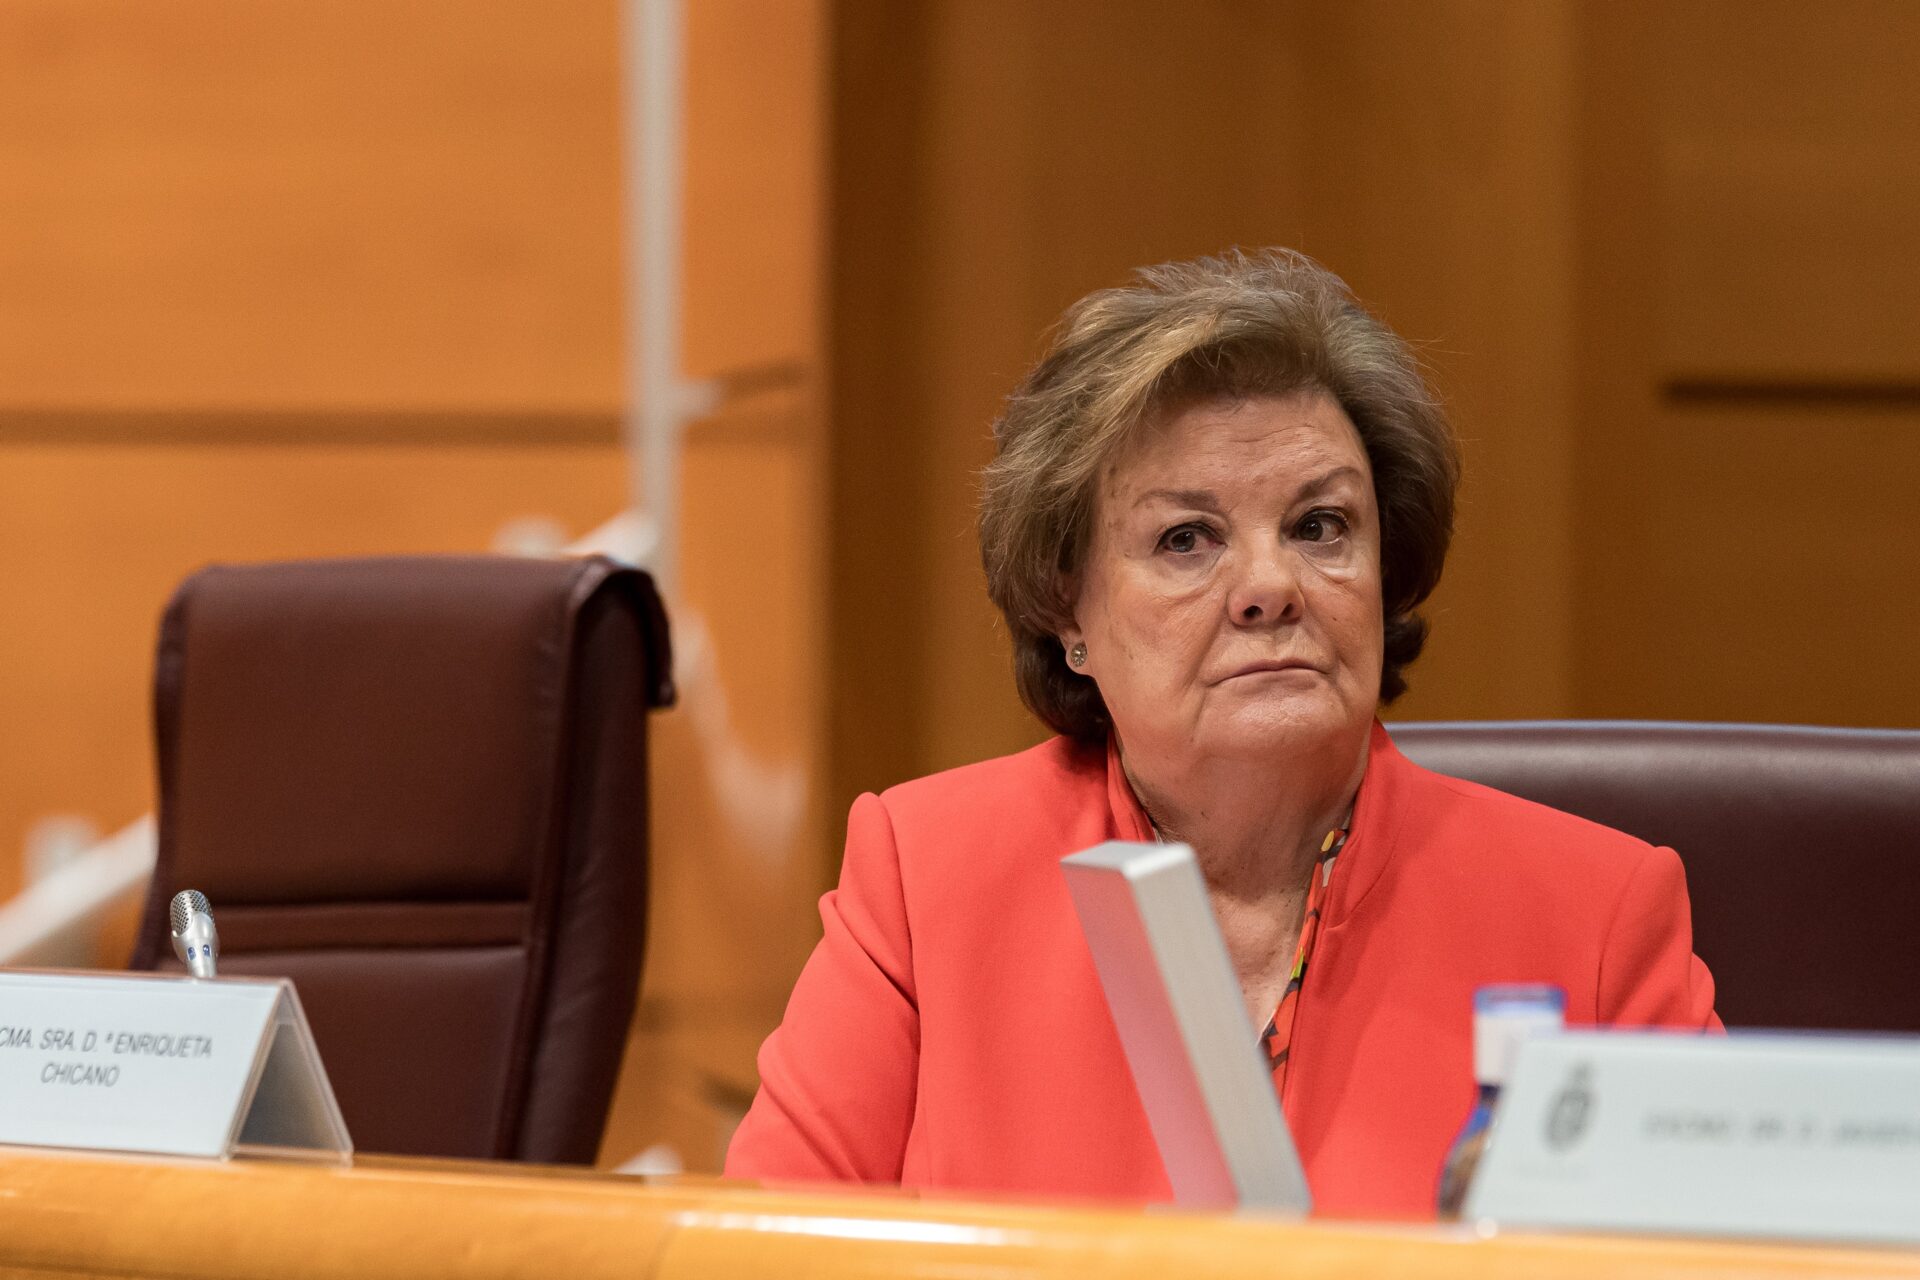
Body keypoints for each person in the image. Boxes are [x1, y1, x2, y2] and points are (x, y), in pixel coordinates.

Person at [725, 249, 1719, 1216]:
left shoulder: (1596, 917)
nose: (1269, 587)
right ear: (1069, 612)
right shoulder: (926, 880)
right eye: (1186, 539)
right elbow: (752, 1250)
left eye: (1319, 525)